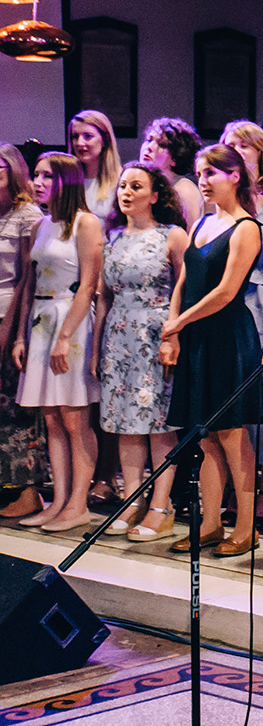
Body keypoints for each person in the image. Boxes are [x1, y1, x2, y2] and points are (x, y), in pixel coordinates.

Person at [161, 145, 263, 555]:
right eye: (200, 174)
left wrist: (180, 322)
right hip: (197, 336)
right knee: (204, 436)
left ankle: (246, 525)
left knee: (232, 433)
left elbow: (226, 292)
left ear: (234, 176)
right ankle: (209, 523)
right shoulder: (201, 221)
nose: (202, 181)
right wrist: (173, 329)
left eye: (211, 173)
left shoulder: (247, 227)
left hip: (226, 335)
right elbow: (184, 280)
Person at [11, 152, 103, 532]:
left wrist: (65, 337)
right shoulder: (41, 225)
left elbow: (89, 283)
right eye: (35, 174)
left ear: (66, 180)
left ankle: (78, 502)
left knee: (74, 416)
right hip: (41, 320)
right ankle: (59, 499)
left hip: (72, 319)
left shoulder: (86, 223)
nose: (38, 181)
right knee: (51, 418)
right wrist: (20, 335)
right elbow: (31, 282)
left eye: (47, 175)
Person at [96, 162, 187, 540]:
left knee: (157, 423)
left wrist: (173, 334)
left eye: (136, 186)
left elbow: (185, 286)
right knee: (124, 423)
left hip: (155, 332)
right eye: (123, 186)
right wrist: (97, 344)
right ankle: (132, 499)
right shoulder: (113, 237)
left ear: (154, 195)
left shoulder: (172, 235)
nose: (127, 192)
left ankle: (161, 506)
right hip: (119, 335)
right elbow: (103, 295)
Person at [219, 120, 263, 532]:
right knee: (231, 396)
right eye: (231, 147)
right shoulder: (227, 201)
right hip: (231, 299)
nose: (239, 153)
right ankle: (231, 486)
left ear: (261, 153)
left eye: (246, 147)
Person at [0, 145, 44, 519]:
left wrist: (11, 329)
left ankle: (27, 489)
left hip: (10, 314)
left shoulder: (28, 215)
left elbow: (27, 278)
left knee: (14, 408)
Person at [140, 117, 204, 223]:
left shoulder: (184, 191)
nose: (150, 147)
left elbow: (190, 236)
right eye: (149, 140)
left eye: (162, 145)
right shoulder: (149, 185)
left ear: (175, 158)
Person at [68, 110, 122, 220]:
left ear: (104, 140)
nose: (79, 143)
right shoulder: (66, 181)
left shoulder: (121, 181)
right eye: (75, 136)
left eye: (88, 136)